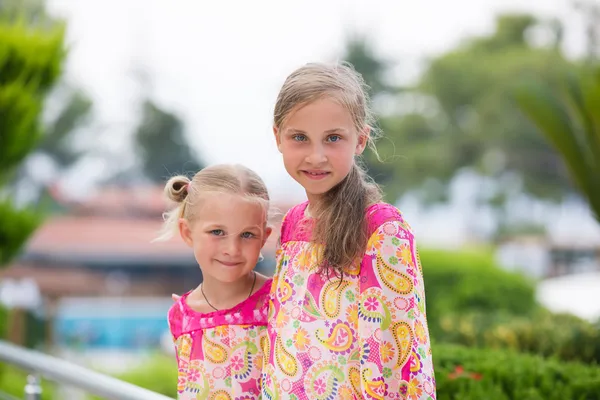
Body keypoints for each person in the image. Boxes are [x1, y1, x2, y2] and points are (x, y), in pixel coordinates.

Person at [262, 62, 436, 399]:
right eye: (300, 137)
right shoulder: (292, 224)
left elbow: (397, 358)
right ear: (277, 137)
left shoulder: (381, 229)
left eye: (333, 138)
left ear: (360, 140)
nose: (316, 156)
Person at [157, 164, 273, 399]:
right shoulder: (180, 316)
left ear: (264, 238)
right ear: (187, 232)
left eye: (247, 235)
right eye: (217, 232)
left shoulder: (281, 301)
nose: (232, 249)